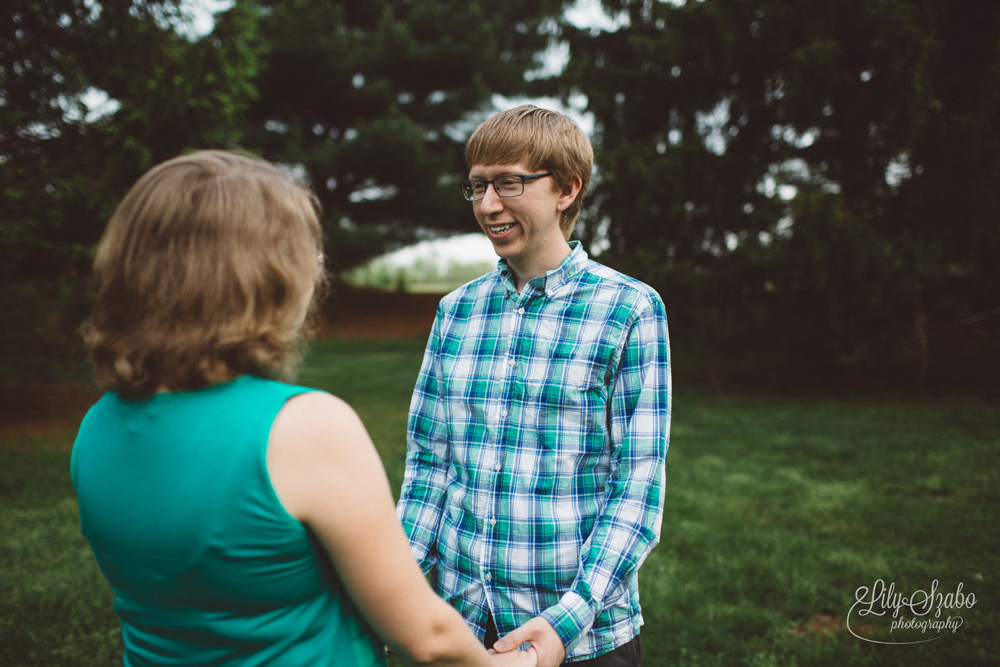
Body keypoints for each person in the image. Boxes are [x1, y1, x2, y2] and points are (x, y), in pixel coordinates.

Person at [71, 150, 537, 667]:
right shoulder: (304, 428)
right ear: (266, 274)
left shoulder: (96, 428)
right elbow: (426, 637)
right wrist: (512, 663)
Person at [396, 105, 672, 666]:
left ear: (567, 189)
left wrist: (564, 620)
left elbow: (637, 485)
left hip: (583, 636)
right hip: (466, 627)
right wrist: (393, 592)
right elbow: (429, 470)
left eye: (508, 183)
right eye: (477, 187)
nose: (488, 205)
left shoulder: (629, 310)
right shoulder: (457, 312)